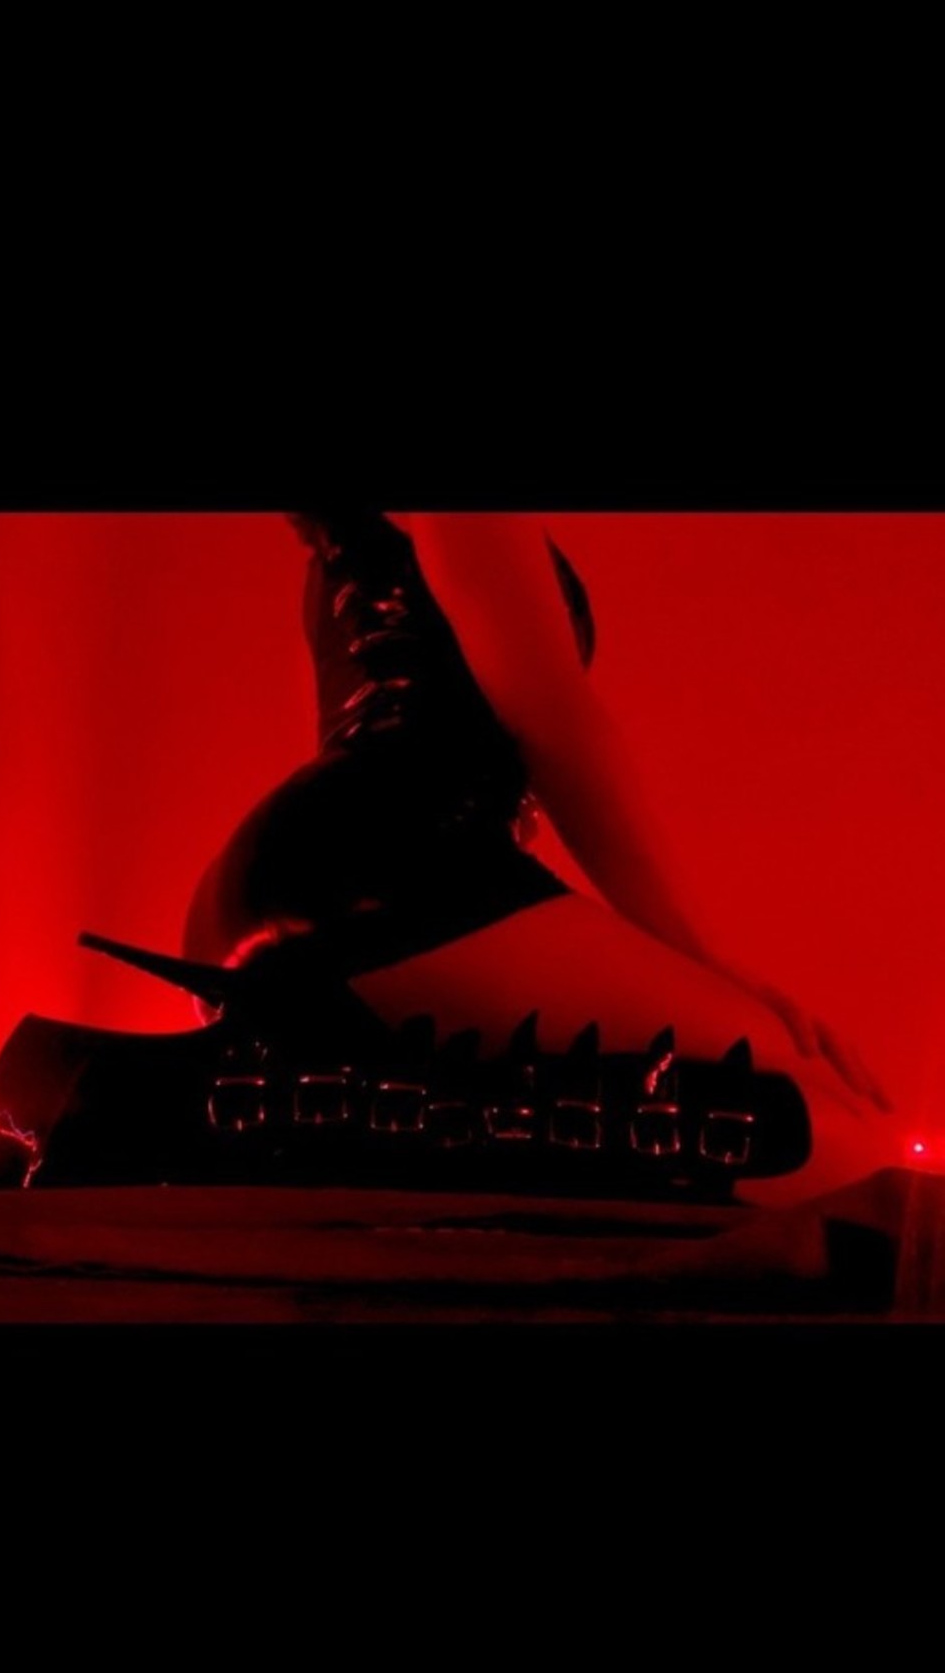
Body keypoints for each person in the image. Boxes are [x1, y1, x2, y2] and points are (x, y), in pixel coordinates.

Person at [182, 510, 900, 1206]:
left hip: (257, 898)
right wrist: (706, 959)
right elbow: (556, 725)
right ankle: (366, 1125)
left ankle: (324, 1116)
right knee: (842, 1127)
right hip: (387, 866)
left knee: (817, 1129)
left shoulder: (338, 543)